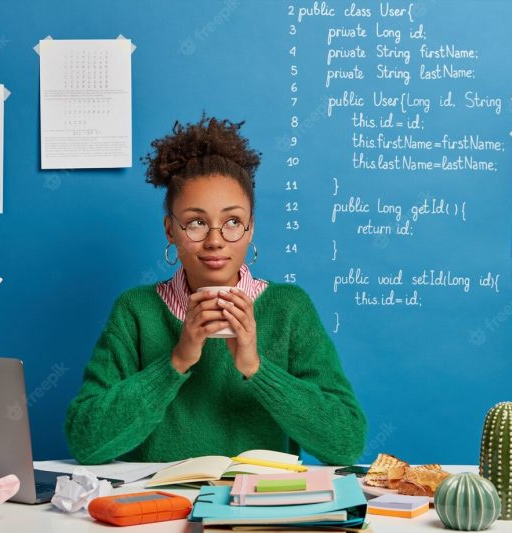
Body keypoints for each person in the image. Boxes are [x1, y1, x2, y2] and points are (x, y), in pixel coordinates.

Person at [65, 115, 366, 466]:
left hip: (257, 508)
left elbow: (346, 444)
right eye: (196, 223)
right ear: (170, 230)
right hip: (160, 510)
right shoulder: (136, 310)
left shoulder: (288, 308)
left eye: (233, 222)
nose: (214, 241)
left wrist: (255, 367)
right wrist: (177, 361)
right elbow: (85, 443)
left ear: (251, 228)